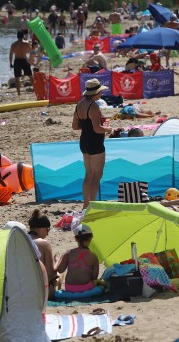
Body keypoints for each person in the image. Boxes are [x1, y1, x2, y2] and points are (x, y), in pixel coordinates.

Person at [72, 79, 113, 210]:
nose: (101, 95)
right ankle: (93, 205)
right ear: (95, 93)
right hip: (95, 141)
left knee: (88, 174)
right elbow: (97, 129)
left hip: (84, 140)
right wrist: (108, 129)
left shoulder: (79, 105)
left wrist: (87, 125)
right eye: (100, 92)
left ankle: (85, 204)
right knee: (97, 175)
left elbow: (75, 126)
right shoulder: (93, 106)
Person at [55, 224, 100, 293]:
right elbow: (94, 277)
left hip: (70, 288)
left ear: (76, 239)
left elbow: (60, 270)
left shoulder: (68, 253)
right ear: (91, 238)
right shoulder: (94, 256)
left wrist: (58, 260)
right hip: (87, 288)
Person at [28, 209, 58, 298]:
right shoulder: (44, 244)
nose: (48, 233)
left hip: (21, 291)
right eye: (47, 229)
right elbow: (50, 273)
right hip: (41, 293)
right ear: (40, 228)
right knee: (59, 275)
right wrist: (57, 261)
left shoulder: (21, 240)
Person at [9, 30, 33, 96]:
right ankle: (36, 89)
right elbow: (30, 51)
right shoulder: (26, 43)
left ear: (17, 36)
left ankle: (19, 93)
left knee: (17, 77)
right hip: (24, 60)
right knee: (30, 76)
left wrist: (10, 63)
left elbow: (11, 54)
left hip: (17, 60)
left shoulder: (13, 44)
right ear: (23, 36)